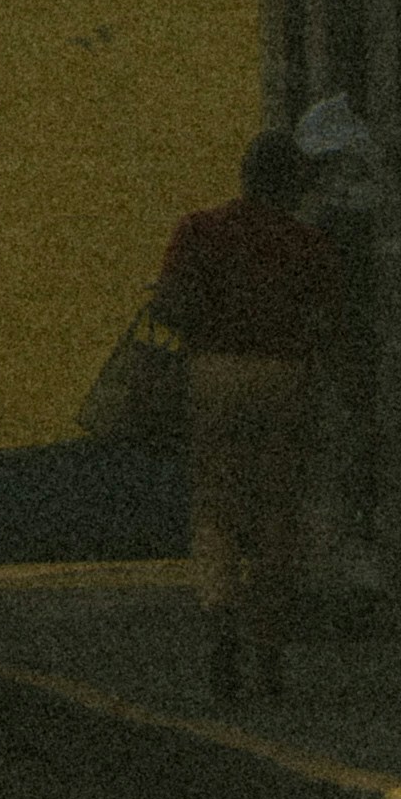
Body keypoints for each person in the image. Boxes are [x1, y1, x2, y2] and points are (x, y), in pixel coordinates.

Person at [155, 128, 341, 706]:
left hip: (213, 375)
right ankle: (268, 653)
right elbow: (329, 317)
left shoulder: (199, 231)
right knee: (276, 512)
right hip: (283, 377)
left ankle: (220, 624)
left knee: (216, 506)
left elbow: (168, 304)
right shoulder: (309, 243)